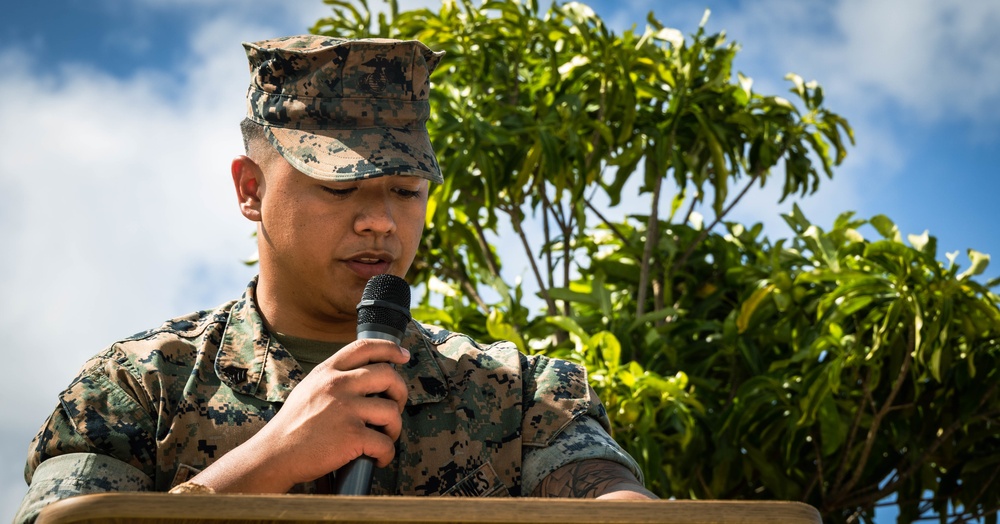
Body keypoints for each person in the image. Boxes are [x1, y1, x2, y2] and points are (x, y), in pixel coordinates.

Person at [15, 35, 654, 523]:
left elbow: (613, 500)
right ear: (250, 188)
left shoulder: (519, 394)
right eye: (338, 187)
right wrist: (270, 459)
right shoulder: (138, 388)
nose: (379, 221)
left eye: (405, 190)